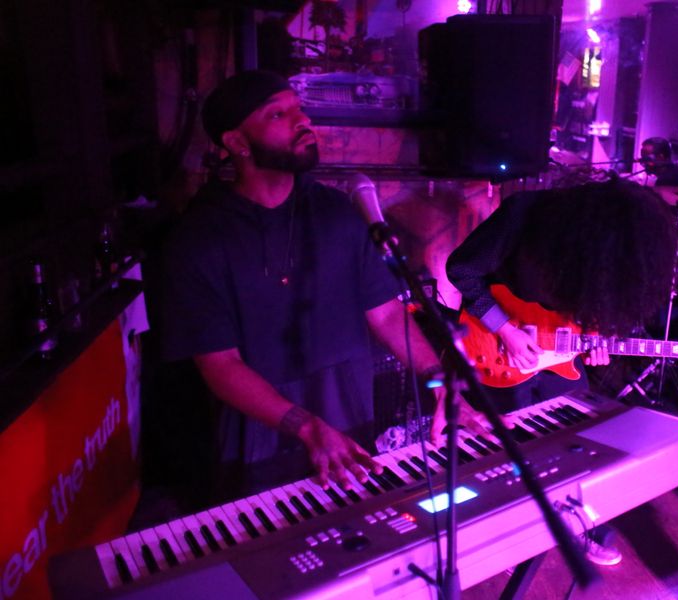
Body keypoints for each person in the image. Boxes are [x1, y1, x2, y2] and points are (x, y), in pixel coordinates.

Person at [161, 70, 491, 498]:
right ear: (237, 143)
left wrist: (436, 377)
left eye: (299, 108)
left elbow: (387, 314)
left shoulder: (336, 211)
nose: (302, 121)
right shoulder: (199, 239)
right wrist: (307, 427)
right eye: (277, 114)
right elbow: (219, 365)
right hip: (259, 444)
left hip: (350, 425)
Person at [446, 178, 678, 565]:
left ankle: (579, 521)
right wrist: (505, 330)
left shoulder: (607, 257)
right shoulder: (524, 213)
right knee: (507, 451)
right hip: (498, 346)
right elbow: (462, 269)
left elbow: (591, 305)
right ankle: (507, 537)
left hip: (559, 357)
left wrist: (598, 338)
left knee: (577, 440)